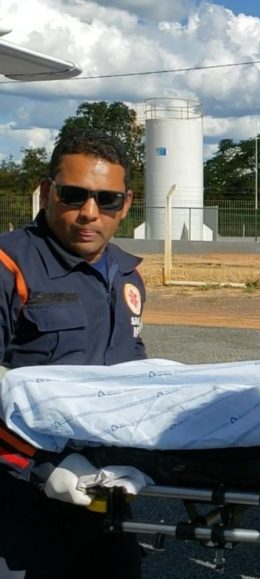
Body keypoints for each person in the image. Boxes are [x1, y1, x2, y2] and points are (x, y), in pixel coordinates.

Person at [0, 128, 146, 578]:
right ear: (46, 194)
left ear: (125, 204)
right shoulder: (10, 267)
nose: (88, 213)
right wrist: (42, 467)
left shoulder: (126, 274)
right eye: (73, 195)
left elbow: (133, 371)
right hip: (18, 502)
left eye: (106, 200)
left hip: (104, 494)